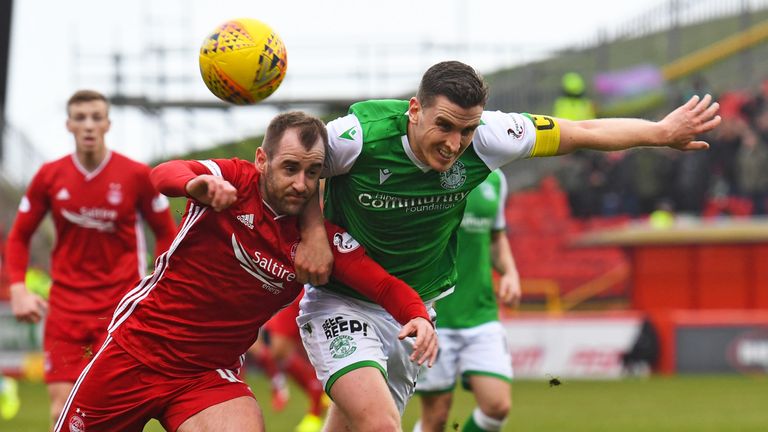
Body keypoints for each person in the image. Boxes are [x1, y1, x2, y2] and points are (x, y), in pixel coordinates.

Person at [296, 60, 721, 431]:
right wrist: (314, 232)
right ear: (414, 109)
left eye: (466, 130)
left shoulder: (490, 137)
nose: (453, 143)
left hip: (415, 310)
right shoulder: (355, 136)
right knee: (381, 424)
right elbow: (289, 170)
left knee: (354, 424)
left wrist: (661, 132)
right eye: (443, 125)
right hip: (343, 299)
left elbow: (581, 130)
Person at [52, 111, 437, 432]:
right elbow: (162, 174)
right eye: (290, 168)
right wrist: (194, 183)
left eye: (313, 172)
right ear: (261, 160)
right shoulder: (232, 180)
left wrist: (417, 316)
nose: (301, 184)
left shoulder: (320, 247)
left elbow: (384, 285)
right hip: (137, 352)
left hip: (207, 375)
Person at [3, 89, 178, 426]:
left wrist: (160, 285)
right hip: (65, 311)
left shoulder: (135, 175)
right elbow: (19, 236)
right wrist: (19, 289)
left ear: (107, 124)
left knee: (115, 412)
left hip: (119, 310)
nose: (88, 125)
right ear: (68, 124)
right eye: (80, 118)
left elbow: (167, 234)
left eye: (96, 117)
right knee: (63, 412)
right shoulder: (49, 176)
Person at [413, 169, 520, 432]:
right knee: (435, 417)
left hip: (481, 311)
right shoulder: (425, 172)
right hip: (435, 316)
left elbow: (496, 236)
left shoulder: (495, 178)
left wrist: (510, 273)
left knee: (497, 406)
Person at [248, 296, 329, 432]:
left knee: (280, 350)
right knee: (277, 352)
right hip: (286, 293)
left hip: (301, 292)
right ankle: (315, 394)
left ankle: (315, 408)